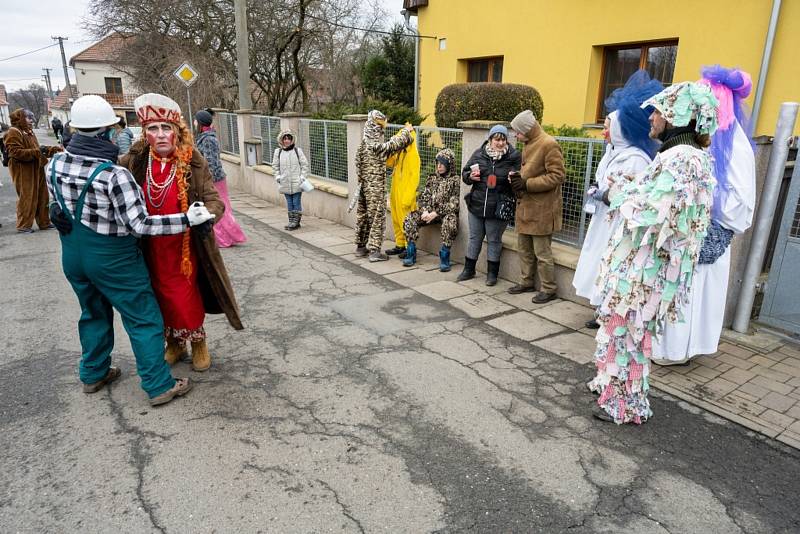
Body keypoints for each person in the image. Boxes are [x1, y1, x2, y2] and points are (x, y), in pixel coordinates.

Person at [45, 95, 215, 405]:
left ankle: (93, 373)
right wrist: (186, 218)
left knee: (93, 312)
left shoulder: (55, 162)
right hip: (113, 257)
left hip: (73, 255)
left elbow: (57, 201)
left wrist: (52, 208)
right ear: (107, 132)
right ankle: (158, 384)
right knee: (143, 318)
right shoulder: (115, 174)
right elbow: (140, 225)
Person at [588, 81, 719, 424]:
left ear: (678, 115)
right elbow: (655, 198)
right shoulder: (682, 157)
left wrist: (614, 195)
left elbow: (654, 215)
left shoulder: (682, 159)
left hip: (645, 271)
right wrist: (626, 190)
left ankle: (624, 405)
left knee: (628, 334)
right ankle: (611, 386)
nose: (653, 118)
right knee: (622, 330)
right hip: (641, 268)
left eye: (660, 111)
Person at [120, 93, 243, 372]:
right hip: (149, 246)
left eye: (167, 128)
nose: (161, 135)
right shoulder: (134, 161)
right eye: (153, 129)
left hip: (186, 246)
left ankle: (197, 340)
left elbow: (215, 199)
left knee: (184, 295)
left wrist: (207, 216)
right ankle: (175, 343)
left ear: (177, 132)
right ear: (144, 133)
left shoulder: (192, 159)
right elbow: (106, 180)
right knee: (158, 296)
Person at [652, 66, 756, 366]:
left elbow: (738, 197)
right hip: (686, 230)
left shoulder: (734, 144)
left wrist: (700, 209)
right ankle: (666, 347)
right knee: (677, 290)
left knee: (691, 294)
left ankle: (679, 350)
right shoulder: (696, 143)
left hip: (707, 232)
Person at [573, 71, 663, 328]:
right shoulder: (615, 152)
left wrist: (605, 194)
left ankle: (608, 311)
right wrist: (597, 190)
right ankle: (600, 308)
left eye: (607, 127)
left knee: (611, 265)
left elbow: (629, 195)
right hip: (604, 220)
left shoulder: (635, 158)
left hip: (618, 224)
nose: (604, 133)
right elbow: (606, 182)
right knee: (598, 262)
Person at [507, 110, 566, 303]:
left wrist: (527, 183)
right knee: (524, 249)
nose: (515, 135)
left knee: (542, 253)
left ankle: (549, 289)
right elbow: (531, 170)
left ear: (527, 129)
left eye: (517, 131)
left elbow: (557, 176)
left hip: (542, 210)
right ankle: (526, 282)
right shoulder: (529, 142)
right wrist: (518, 177)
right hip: (526, 207)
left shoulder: (549, 144)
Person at [458, 124, 521, 285]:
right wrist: (470, 176)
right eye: (496, 139)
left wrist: (514, 179)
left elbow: (520, 180)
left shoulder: (513, 156)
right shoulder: (479, 154)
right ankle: (468, 269)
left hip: (498, 206)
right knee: (474, 238)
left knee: (494, 240)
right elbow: (465, 173)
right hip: (477, 204)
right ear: (490, 139)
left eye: (503, 139)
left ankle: (492, 274)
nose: (500, 143)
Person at [354, 110, 413, 262]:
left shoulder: (364, 142)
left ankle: (361, 247)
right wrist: (406, 132)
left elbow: (357, 163)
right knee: (377, 218)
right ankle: (374, 252)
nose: (382, 129)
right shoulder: (374, 145)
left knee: (364, 216)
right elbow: (391, 146)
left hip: (364, 185)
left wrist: (362, 179)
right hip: (375, 187)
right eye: (380, 126)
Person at [401, 148, 461, 271]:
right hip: (428, 212)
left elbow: (454, 204)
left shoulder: (455, 180)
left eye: (442, 163)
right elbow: (424, 197)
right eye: (437, 163)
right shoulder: (432, 178)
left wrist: (436, 213)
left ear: (449, 164)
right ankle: (411, 252)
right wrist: (424, 211)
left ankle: (445, 256)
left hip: (443, 214)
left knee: (451, 222)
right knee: (410, 218)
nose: (439, 166)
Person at [195, 109, 247, 245]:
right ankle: (227, 238)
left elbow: (211, 162)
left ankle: (226, 239)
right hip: (216, 178)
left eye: (196, 120)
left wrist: (206, 179)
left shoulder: (207, 139)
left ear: (200, 123)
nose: (194, 122)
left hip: (214, 179)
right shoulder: (207, 137)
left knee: (219, 208)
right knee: (221, 207)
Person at [5, 108, 60, 232]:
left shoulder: (28, 131)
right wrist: (38, 151)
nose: (31, 121)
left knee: (43, 195)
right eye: (28, 118)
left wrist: (52, 150)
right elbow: (14, 152)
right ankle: (24, 225)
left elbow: (36, 149)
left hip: (36, 168)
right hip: (23, 170)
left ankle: (44, 222)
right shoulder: (13, 132)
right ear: (20, 119)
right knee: (27, 197)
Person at [385, 125, 421, 258]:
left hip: (405, 194)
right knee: (395, 219)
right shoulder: (399, 152)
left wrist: (408, 197)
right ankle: (400, 244)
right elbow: (389, 163)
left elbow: (414, 178)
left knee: (405, 222)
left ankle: (408, 247)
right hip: (396, 191)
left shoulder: (413, 155)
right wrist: (391, 149)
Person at [272, 129, 310, 231]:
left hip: (297, 181)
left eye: (289, 138)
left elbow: (304, 165)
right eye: (285, 139)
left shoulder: (298, 151)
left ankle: (296, 222)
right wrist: (278, 177)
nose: (287, 141)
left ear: (292, 140)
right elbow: (275, 166)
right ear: (282, 140)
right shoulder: (278, 152)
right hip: (284, 182)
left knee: (296, 201)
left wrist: (302, 176)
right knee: (289, 202)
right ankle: (291, 221)